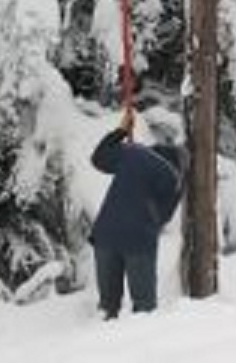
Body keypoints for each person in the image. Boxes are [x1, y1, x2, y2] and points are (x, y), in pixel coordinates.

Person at [89, 107, 183, 319]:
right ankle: (137, 348)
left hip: (106, 234)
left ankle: (102, 343)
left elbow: (98, 159)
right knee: (144, 309)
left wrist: (121, 131)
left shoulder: (132, 153)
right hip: (138, 239)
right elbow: (164, 216)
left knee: (107, 307)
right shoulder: (174, 178)